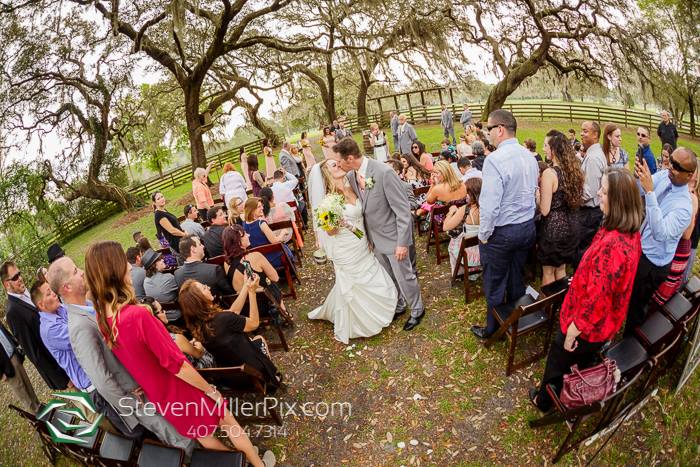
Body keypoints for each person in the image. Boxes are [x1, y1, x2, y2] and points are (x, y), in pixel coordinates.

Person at [83, 241, 272, 466]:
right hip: (181, 388)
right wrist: (209, 389)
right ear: (113, 270)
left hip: (161, 397)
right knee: (228, 423)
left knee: (205, 436)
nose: (130, 267)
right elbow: (176, 365)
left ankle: (242, 462)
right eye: (123, 262)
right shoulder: (137, 316)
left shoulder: (103, 319)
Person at [48, 256, 196, 452]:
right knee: (180, 440)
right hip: (137, 398)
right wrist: (129, 402)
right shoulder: (79, 326)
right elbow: (100, 379)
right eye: (75, 271)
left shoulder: (91, 303)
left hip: (146, 382)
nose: (82, 272)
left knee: (186, 425)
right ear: (66, 287)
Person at [530, 168, 643, 412]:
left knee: (559, 361)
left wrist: (573, 330)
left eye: (604, 191)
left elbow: (598, 298)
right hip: (602, 323)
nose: (599, 194)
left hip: (587, 325)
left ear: (619, 201)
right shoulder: (625, 231)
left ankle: (545, 401)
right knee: (577, 360)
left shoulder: (614, 244)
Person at [336, 138, 426, 331]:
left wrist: (402, 243)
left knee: (404, 276)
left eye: (340, 161)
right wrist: (367, 237)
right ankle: (400, 305)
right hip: (375, 239)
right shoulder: (352, 176)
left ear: (350, 158)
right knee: (389, 277)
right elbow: (365, 209)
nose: (338, 164)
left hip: (394, 239)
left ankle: (417, 309)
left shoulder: (384, 172)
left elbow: (403, 211)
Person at [33, 280, 140, 436]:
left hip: (104, 367)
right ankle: (142, 449)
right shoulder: (50, 330)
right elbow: (87, 332)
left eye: (52, 290)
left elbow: (93, 309)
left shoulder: (62, 308)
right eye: (49, 293)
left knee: (136, 410)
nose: (55, 294)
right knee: (128, 422)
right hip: (93, 384)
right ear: (42, 305)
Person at [308, 158, 398, 341]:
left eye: (337, 162)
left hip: (362, 241)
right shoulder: (327, 201)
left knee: (370, 271)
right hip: (345, 248)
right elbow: (330, 232)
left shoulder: (352, 185)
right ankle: (361, 321)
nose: (339, 165)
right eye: (334, 165)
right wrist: (336, 223)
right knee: (354, 283)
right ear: (327, 173)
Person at [471, 110, 539, 339]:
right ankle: (514, 322)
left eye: (488, 128)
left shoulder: (494, 160)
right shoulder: (530, 156)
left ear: (500, 129)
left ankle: (494, 330)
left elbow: (489, 205)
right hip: (527, 227)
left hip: (503, 231)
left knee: (494, 282)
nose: (486, 133)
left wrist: (484, 235)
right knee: (516, 276)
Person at [625, 148, 696, 335]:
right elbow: (642, 188)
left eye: (677, 166)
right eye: (671, 161)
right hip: (640, 246)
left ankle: (629, 347)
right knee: (628, 294)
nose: (671, 167)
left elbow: (660, 233)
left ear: (689, 175)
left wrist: (649, 192)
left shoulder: (684, 208)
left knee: (637, 306)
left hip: (652, 264)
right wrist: (640, 179)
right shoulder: (665, 175)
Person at [179, 277, 282, 389]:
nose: (208, 287)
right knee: (258, 339)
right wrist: (252, 293)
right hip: (254, 373)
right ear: (200, 299)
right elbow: (254, 323)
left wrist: (246, 286)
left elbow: (233, 312)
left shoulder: (197, 327)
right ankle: (271, 377)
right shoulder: (224, 319)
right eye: (204, 287)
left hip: (232, 378)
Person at [1, 261, 69, 390]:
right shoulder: (12, 312)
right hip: (60, 370)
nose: (20, 278)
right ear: (6, 284)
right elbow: (34, 353)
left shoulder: (27, 293)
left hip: (66, 353)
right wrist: (62, 379)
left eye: (19, 274)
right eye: (15, 277)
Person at [536, 131, 584, 285]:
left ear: (554, 150)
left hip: (554, 229)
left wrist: (537, 194)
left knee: (548, 272)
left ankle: (548, 308)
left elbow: (544, 210)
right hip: (572, 226)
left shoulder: (550, 173)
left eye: (545, 146)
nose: (543, 149)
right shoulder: (575, 171)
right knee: (561, 269)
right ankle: (560, 306)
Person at [653, 166, 699, 305]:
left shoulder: (691, 198)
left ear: (693, 176)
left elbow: (686, 234)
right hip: (674, 244)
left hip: (679, 246)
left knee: (665, 286)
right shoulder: (680, 192)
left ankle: (654, 315)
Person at [144, 297, 215, 370]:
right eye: (161, 310)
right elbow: (198, 354)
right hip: (196, 372)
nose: (165, 312)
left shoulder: (146, 342)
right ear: (155, 317)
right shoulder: (175, 338)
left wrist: (187, 345)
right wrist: (200, 347)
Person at [576, 121, 607, 265]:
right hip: (590, 213)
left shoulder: (594, 158)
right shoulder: (592, 154)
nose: (581, 134)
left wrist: (573, 202)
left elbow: (589, 191)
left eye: (585, 131)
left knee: (583, 251)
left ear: (595, 135)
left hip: (590, 213)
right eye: (581, 131)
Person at [243, 198, 296, 270]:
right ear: (252, 210)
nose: (262, 208)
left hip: (259, 260)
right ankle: (291, 270)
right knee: (284, 246)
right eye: (259, 207)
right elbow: (275, 241)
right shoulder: (261, 224)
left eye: (262, 206)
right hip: (274, 259)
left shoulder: (244, 224)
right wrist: (283, 232)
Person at [444, 178, 482, 277]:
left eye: (467, 193)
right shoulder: (488, 208)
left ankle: (458, 273)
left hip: (470, 257)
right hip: (487, 252)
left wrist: (451, 212)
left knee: (453, 241)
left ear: (472, 194)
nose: (465, 195)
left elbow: (445, 227)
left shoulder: (465, 209)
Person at [0, 318, 39, 412]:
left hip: (13, 355)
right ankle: (34, 413)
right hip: (4, 366)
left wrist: (16, 345)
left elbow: (5, 334)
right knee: (20, 388)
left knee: (26, 382)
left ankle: (38, 406)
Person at [142, 249, 181, 321]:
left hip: (160, 318)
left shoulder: (145, 281)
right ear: (154, 265)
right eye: (159, 259)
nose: (163, 260)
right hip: (176, 315)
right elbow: (183, 290)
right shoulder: (168, 278)